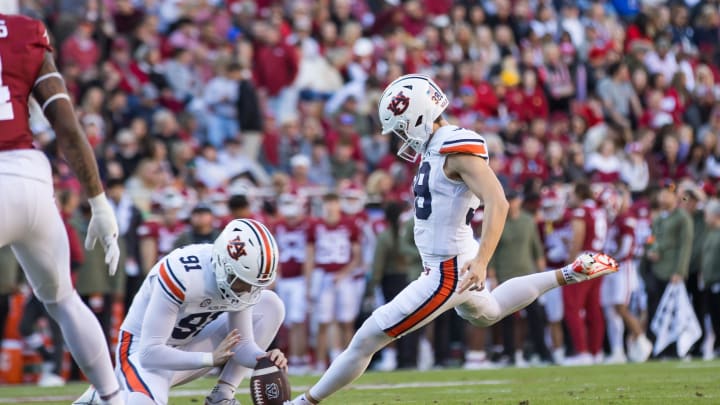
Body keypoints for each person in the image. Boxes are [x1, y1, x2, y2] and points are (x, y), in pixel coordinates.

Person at [289, 74, 619, 405]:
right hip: (453, 258)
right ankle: (571, 272)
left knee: (366, 339)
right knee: (488, 312)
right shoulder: (437, 146)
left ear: (418, 114)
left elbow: (498, 201)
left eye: (403, 126)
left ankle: (302, 403)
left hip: (447, 270)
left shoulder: (456, 148)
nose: (403, 136)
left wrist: (483, 261)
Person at [0, 14, 122, 404]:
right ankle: (114, 396)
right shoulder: (24, 31)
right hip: (32, 181)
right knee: (65, 300)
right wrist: (99, 202)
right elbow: (67, 128)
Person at [73, 219, 287, 405]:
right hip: (141, 352)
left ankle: (222, 395)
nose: (248, 291)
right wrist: (210, 359)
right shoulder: (182, 274)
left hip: (188, 344)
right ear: (224, 264)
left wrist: (264, 358)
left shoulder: (240, 282)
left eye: (253, 285)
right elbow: (150, 353)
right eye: (243, 283)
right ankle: (111, 392)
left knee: (271, 305)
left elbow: (241, 343)